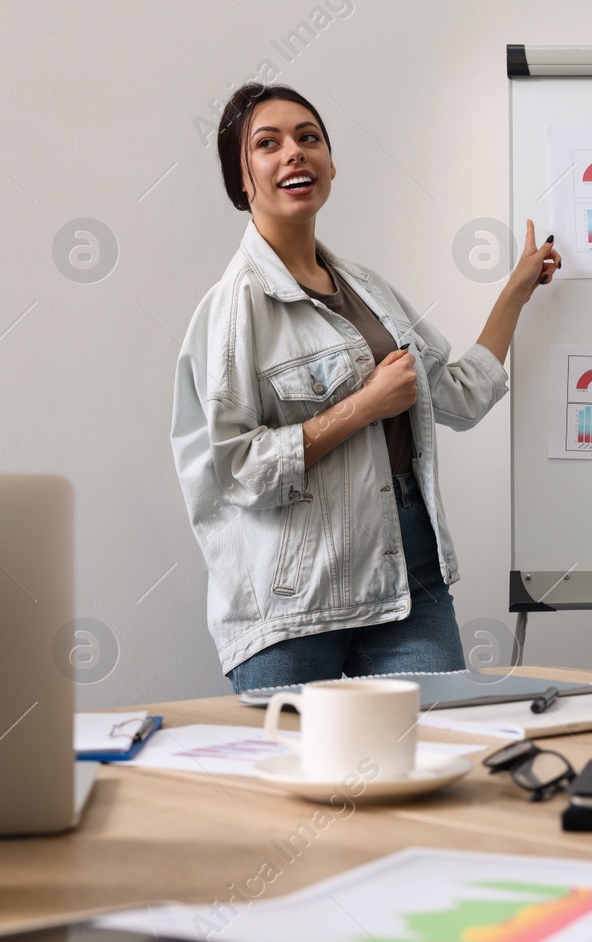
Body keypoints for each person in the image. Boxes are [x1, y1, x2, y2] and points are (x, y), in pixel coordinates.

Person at [171, 83, 560, 692]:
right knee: (292, 781)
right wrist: (361, 408)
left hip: (407, 567)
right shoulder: (232, 309)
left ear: (331, 163)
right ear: (240, 178)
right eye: (267, 144)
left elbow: (456, 395)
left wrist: (515, 291)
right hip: (292, 593)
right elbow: (237, 471)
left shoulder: (369, 292)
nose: (294, 153)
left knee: (433, 756)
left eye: (309, 138)